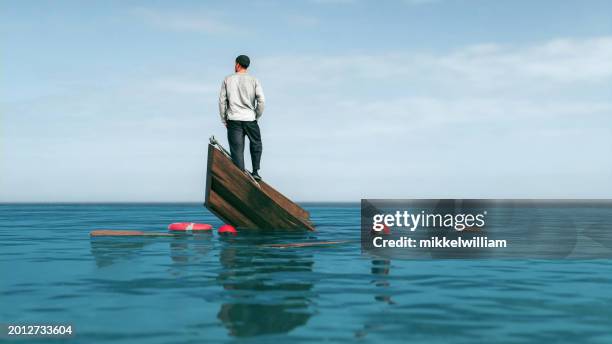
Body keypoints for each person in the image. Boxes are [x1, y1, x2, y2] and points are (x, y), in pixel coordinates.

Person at [218, 55, 265, 180]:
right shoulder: (254, 80)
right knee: (256, 144)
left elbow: (222, 101)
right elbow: (261, 101)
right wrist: (256, 115)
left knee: (237, 150)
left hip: (233, 120)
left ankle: (241, 177)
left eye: (235, 64)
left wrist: (224, 119)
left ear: (238, 64)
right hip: (250, 119)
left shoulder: (227, 80)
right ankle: (255, 172)